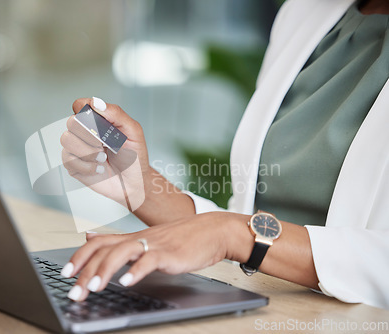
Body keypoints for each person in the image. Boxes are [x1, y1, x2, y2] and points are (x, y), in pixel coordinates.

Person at [59, 0, 389, 309]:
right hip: (256, 309)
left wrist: (232, 233)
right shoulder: (304, 12)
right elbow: (242, 227)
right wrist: (140, 186)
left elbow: (237, 233)